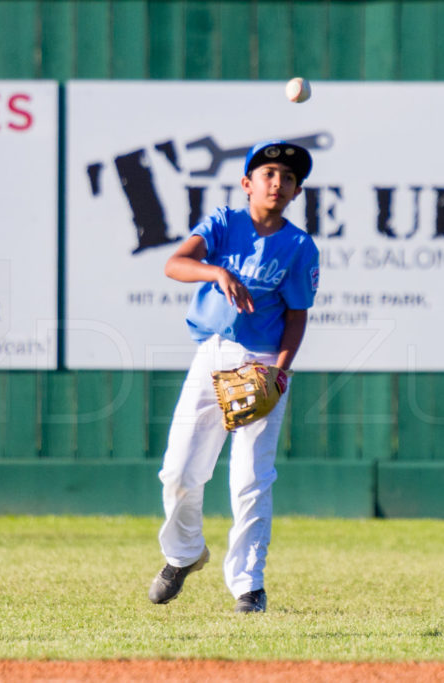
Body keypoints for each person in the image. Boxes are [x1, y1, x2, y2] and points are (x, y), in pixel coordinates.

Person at [148, 140, 320, 614]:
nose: (277, 183)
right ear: (247, 184)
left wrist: (280, 373)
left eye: (288, 179)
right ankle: (184, 554)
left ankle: (248, 585)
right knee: (179, 470)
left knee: (250, 477)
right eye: (268, 174)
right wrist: (216, 271)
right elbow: (174, 264)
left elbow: (297, 316)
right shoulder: (224, 224)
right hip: (213, 354)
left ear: (296, 191)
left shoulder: (299, 246)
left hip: (263, 362)